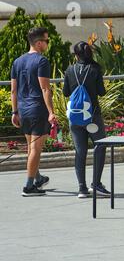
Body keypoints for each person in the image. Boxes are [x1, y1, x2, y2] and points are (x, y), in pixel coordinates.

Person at [11, 27, 57, 197]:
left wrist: (14, 111)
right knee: (36, 149)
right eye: (46, 40)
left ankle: (37, 178)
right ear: (38, 43)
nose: (47, 43)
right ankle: (29, 186)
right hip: (38, 109)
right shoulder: (41, 61)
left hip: (23, 109)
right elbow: (45, 89)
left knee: (31, 148)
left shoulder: (17, 62)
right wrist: (51, 112)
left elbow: (13, 90)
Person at [63, 41, 108, 198]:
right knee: (100, 147)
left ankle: (81, 188)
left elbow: (66, 93)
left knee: (80, 151)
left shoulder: (70, 70)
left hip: (76, 118)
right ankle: (96, 184)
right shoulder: (95, 69)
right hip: (92, 117)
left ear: (76, 55)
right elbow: (102, 92)